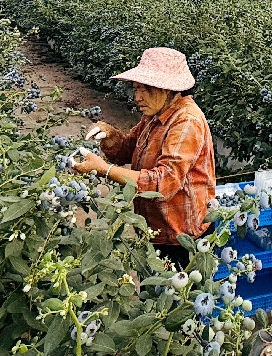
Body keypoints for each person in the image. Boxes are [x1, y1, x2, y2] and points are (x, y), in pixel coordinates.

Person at [73, 47, 215, 266]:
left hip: (182, 239)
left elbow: (164, 183)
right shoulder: (154, 115)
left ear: (167, 89)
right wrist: (109, 134)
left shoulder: (186, 121)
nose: (137, 97)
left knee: (178, 297)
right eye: (136, 88)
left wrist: (105, 170)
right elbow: (128, 148)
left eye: (145, 89)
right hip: (155, 230)